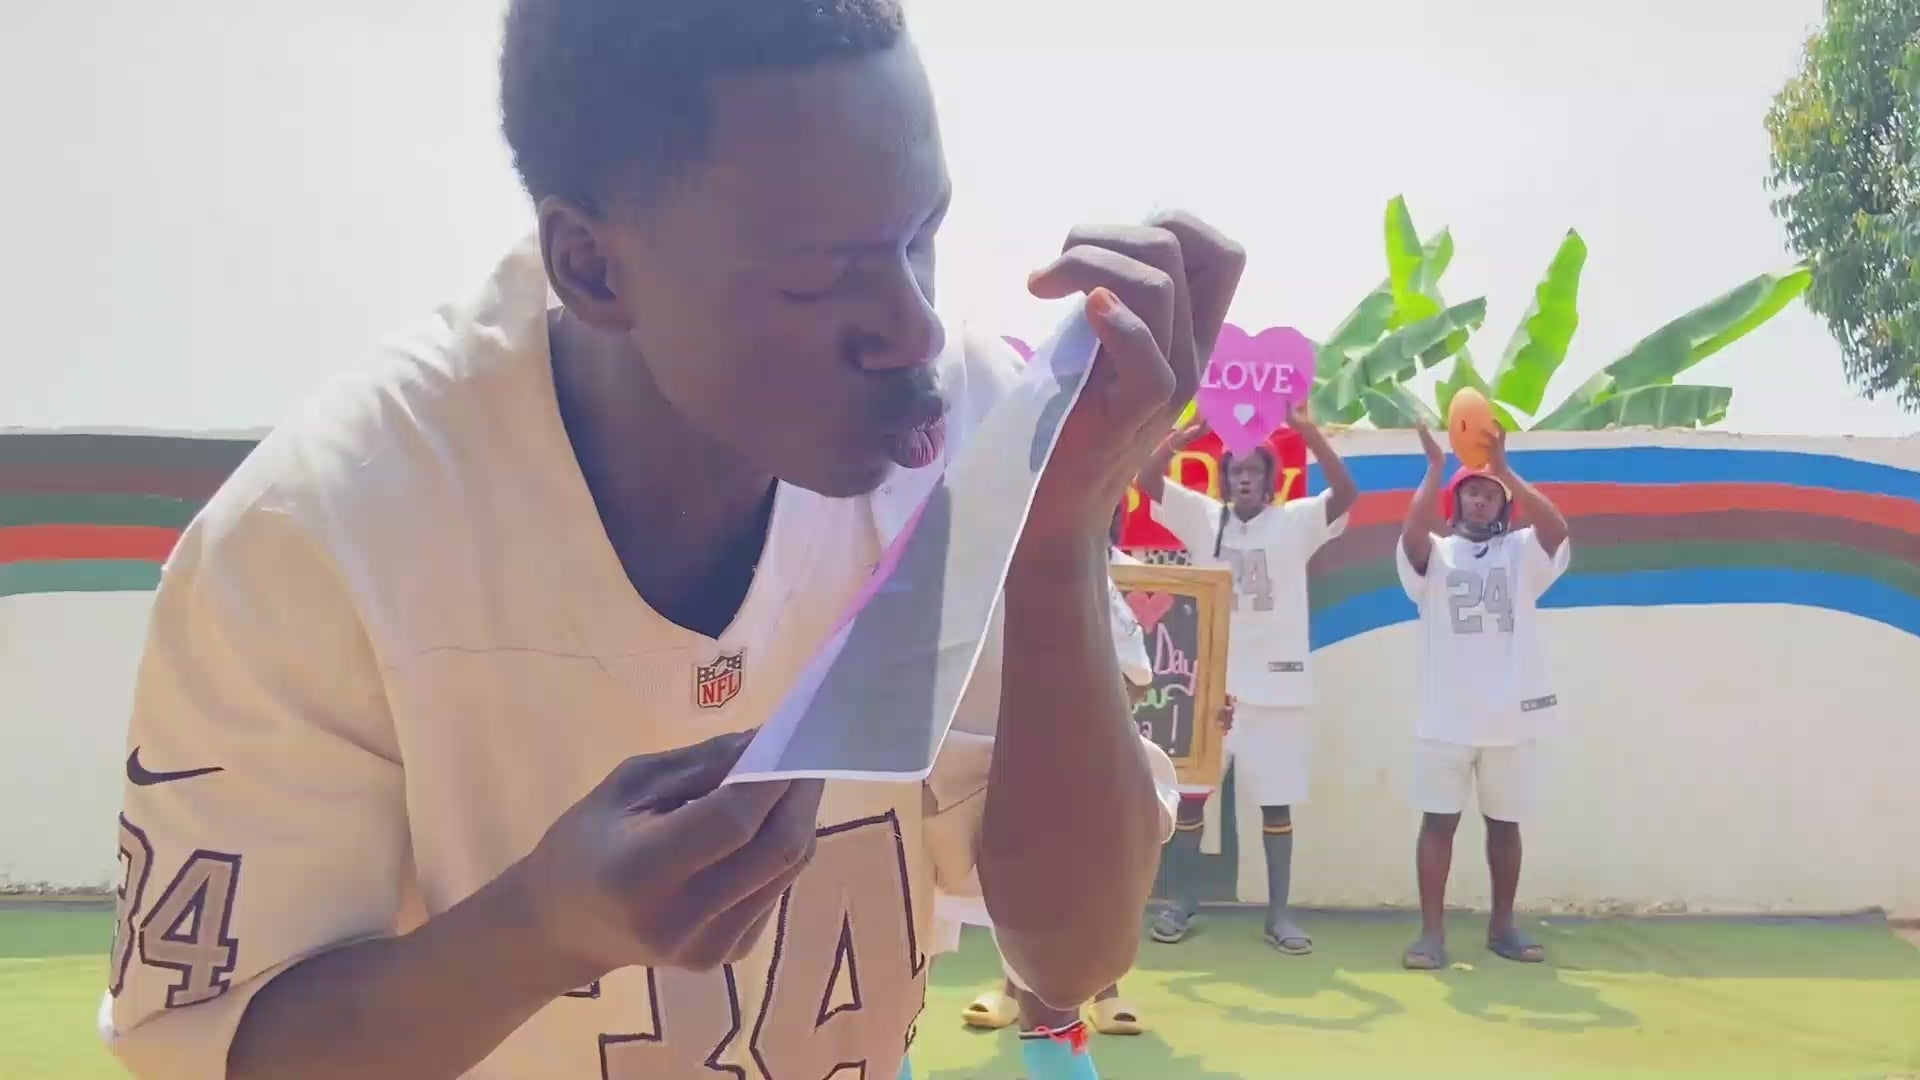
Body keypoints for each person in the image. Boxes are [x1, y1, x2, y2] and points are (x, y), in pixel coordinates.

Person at [99, 3, 1249, 1077]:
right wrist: (537, 932)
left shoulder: (974, 427)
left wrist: (1057, 535)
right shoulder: (319, 535)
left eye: (921, 239)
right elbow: (225, 1052)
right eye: (819, 279)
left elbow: (1070, 956)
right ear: (593, 265)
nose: (911, 328)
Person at [1132, 404, 1357, 953]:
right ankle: (1183, 902)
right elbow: (1147, 480)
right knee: (1191, 801)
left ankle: (1279, 914)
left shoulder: (1296, 521)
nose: (1245, 478)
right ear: (1225, 478)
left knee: (1275, 805)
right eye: (1236, 470)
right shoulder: (1204, 518)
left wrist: (1308, 432)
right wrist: (1185, 436)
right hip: (1213, 688)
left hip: (1278, 690)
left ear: (1271, 479)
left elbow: (1347, 494)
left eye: (1255, 470)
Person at [960, 509, 1156, 1076]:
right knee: (893, 969)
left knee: (1051, 989)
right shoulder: (940, 554)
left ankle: (1089, 1002)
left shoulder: (1083, 569)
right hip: (924, 783)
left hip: (1041, 789)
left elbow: (1133, 680)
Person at [1396, 422, 1571, 971]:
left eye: (1489, 494)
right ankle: (1431, 934)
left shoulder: (1520, 551)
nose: (1479, 499)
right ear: (1456, 503)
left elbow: (1557, 529)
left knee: (1504, 825)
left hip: (1509, 718)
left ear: (1503, 506)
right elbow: (1410, 536)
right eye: (1470, 491)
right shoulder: (1438, 553)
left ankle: (1502, 926)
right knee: (1438, 824)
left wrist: (1506, 469)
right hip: (1445, 716)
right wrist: (1433, 470)